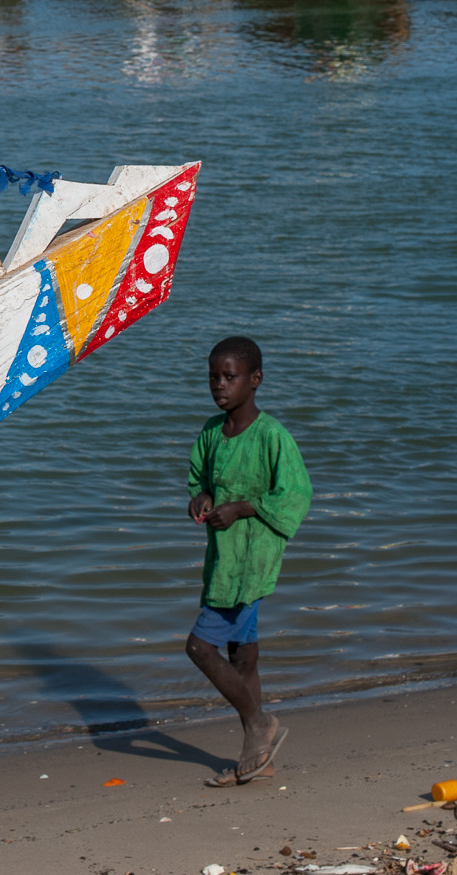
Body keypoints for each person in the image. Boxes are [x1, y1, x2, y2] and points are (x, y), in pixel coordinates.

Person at [186, 336, 311, 787]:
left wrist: (243, 507)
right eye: (213, 377)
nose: (220, 385)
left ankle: (259, 723)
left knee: (200, 648)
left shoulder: (271, 436)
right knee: (244, 656)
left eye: (230, 376)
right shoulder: (211, 433)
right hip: (223, 559)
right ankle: (258, 756)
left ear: (255, 380)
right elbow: (198, 479)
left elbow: (295, 495)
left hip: (251, 563)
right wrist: (200, 499)